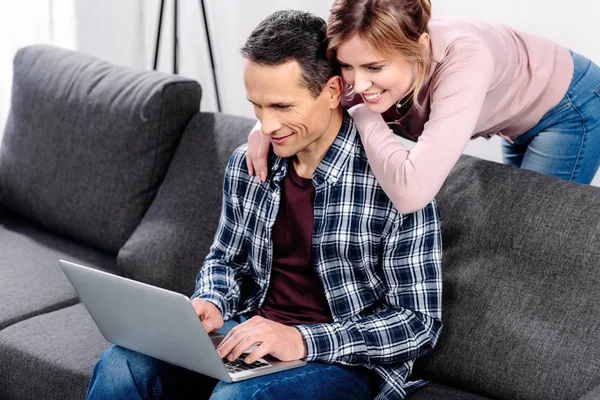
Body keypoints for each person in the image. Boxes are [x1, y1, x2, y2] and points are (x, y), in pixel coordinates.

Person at [85, 10, 442, 400]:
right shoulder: (249, 163)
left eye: (282, 107)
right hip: (248, 334)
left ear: (333, 91)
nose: (267, 125)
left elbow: (417, 324)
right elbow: (225, 260)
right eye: (257, 106)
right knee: (122, 367)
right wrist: (212, 300)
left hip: (341, 362)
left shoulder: (399, 183)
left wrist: (300, 339)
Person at [246, 0, 600, 214]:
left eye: (374, 67)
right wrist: (265, 125)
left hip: (570, 106)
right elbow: (307, 94)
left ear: (420, 47)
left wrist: (365, 115)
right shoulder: (363, 64)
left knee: (537, 230)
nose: (358, 84)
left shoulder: (464, 60)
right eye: (347, 66)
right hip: (517, 113)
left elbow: (411, 193)